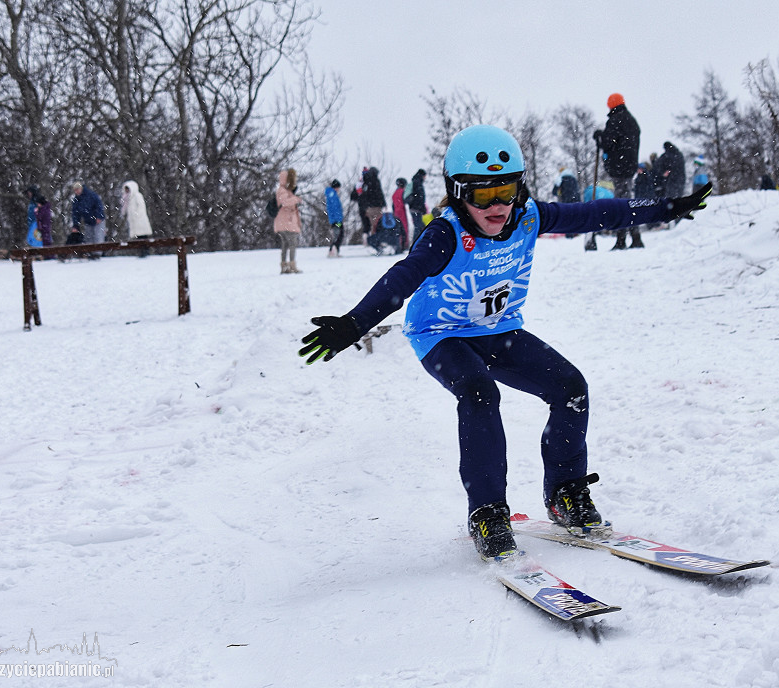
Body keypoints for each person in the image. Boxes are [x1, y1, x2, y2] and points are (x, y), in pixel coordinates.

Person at [298, 125, 712, 560]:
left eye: (507, 189)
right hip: (442, 336)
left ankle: (565, 493)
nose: (497, 205)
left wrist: (666, 207)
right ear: (458, 194)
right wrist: (354, 323)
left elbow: (596, 212)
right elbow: (403, 276)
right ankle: (488, 513)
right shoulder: (447, 233)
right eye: (481, 195)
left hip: (499, 329)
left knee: (571, 388)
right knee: (479, 394)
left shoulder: (530, 215)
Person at [593, 93, 643, 250]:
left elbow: (608, 143)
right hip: (629, 167)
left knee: (622, 203)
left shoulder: (615, 120)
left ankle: (622, 240)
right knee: (627, 201)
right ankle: (635, 237)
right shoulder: (632, 120)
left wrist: (599, 136)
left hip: (619, 168)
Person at [274, 168, 303, 274]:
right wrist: (296, 199)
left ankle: (284, 266)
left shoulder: (283, 190)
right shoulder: (283, 191)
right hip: (287, 222)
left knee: (285, 245)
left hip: (284, 222)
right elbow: (285, 202)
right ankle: (291, 265)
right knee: (292, 244)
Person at [71, 182, 106, 259]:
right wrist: (75, 225)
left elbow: (99, 205)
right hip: (88, 221)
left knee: (98, 236)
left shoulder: (91, 195)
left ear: (81, 189)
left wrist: (98, 216)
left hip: (97, 220)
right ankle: (90, 252)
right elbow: (75, 213)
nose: (77, 191)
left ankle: (97, 253)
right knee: (89, 237)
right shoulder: (76, 200)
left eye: (78, 189)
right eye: (75, 190)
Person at [120, 180, 153, 257]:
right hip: (134, 220)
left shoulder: (137, 195)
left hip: (140, 219)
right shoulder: (127, 198)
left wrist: (136, 215)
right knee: (138, 237)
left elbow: (141, 206)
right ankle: (141, 252)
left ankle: (145, 252)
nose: (127, 190)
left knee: (143, 236)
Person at [359, 167, 387, 241]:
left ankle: (369, 240)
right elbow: (380, 193)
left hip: (368, 208)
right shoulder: (375, 181)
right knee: (377, 225)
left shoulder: (365, 182)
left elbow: (363, 195)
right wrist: (384, 204)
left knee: (371, 225)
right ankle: (375, 240)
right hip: (376, 206)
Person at [406, 168, 428, 245]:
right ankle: (416, 244)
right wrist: (422, 207)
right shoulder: (417, 183)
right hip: (416, 209)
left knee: (419, 226)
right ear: (422, 175)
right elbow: (420, 197)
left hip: (414, 208)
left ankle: (417, 243)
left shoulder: (415, 182)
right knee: (418, 227)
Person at [324, 179, 345, 257]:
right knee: (339, 234)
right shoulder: (333, 195)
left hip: (334, 220)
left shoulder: (330, 194)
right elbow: (336, 209)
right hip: (337, 220)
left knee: (337, 234)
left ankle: (333, 251)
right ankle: (334, 250)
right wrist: (339, 220)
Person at [392, 178, 410, 251]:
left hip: (396, 212)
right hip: (402, 212)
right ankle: (404, 245)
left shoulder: (395, 193)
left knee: (397, 230)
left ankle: (398, 244)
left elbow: (393, 204)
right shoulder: (403, 192)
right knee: (404, 229)